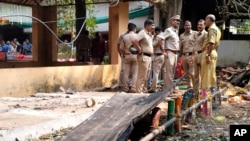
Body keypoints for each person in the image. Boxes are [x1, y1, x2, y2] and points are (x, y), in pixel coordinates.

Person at [201, 14, 221, 91]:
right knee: (211, 76)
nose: (205, 22)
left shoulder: (212, 29)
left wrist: (207, 54)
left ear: (209, 20)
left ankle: (204, 97)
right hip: (213, 52)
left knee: (206, 77)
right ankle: (212, 95)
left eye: (206, 20)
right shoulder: (217, 29)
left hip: (208, 52)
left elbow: (211, 43)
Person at [160, 15, 181, 89]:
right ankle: (168, 90)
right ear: (172, 21)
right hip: (170, 52)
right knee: (169, 73)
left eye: (179, 21)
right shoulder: (168, 30)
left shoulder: (175, 31)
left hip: (175, 54)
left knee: (172, 73)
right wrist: (163, 51)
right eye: (176, 20)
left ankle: (168, 89)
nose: (178, 22)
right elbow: (160, 39)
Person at [121, 23, 141, 93]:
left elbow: (121, 48)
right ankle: (133, 87)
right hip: (136, 56)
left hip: (127, 55)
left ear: (128, 29)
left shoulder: (124, 37)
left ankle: (125, 88)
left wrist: (123, 54)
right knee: (135, 73)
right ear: (134, 29)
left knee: (126, 73)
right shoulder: (137, 36)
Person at [136, 19, 154, 93]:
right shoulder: (142, 33)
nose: (153, 27)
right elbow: (134, 40)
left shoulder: (148, 34)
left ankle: (143, 90)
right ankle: (138, 92)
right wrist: (139, 49)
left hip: (149, 57)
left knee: (146, 76)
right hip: (144, 56)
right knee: (142, 76)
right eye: (152, 25)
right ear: (146, 25)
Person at [179, 20, 197, 88]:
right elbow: (181, 47)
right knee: (186, 74)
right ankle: (189, 87)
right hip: (184, 56)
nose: (188, 27)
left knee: (192, 73)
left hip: (192, 56)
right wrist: (180, 57)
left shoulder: (195, 34)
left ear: (191, 26)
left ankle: (195, 87)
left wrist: (194, 55)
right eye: (186, 25)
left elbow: (197, 45)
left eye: (189, 25)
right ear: (184, 26)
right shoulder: (181, 36)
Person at [148, 27, 164, 93]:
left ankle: (153, 88)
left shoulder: (158, 37)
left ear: (157, 31)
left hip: (158, 55)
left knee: (155, 73)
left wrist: (152, 39)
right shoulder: (164, 36)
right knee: (164, 73)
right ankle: (165, 87)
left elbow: (152, 45)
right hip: (163, 56)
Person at [193, 19, 207, 89]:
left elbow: (206, 47)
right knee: (196, 76)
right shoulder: (196, 34)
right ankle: (196, 94)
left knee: (203, 76)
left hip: (202, 55)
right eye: (198, 25)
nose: (199, 26)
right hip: (195, 55)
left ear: (205, 25)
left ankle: (204, 95)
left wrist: (203, 57)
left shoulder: (206, 34)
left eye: (201, 25)